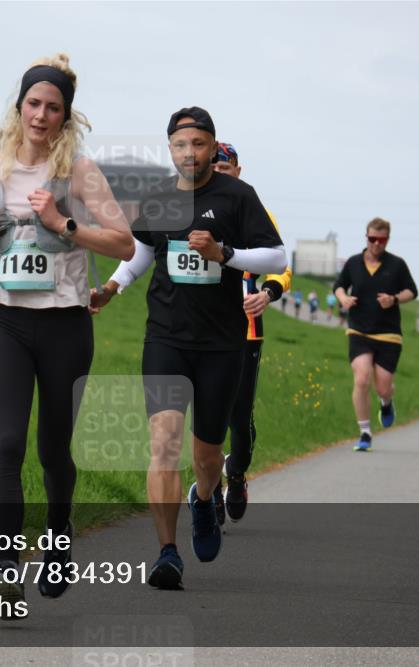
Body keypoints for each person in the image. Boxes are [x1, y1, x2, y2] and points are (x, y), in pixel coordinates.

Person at [90, 108, 287, 589]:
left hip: (221, 343)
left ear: (211, 146)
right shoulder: (157, 199)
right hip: (166, 339)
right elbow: (141, 252)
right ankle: (167, 553)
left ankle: (204, 498)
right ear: (170, 148)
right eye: (180, 145)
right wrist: (112, 288)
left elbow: (276, 255)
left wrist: (225, 255)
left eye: (198, 144)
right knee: (163, 445)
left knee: (206, 455)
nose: (189, 153)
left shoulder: (238, 196)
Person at [0, 53, 134, 610]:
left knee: (52, 448)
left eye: (53, 107)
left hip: (64, 324)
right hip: (6, 321)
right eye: (33, 103)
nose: (41, 114)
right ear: (19, 106)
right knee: (7, 442)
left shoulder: (79, 172)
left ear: (66, 116)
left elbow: (124, 243)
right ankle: (6, 566)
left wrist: (62, 223)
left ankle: (59, 538)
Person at [211, 141, 292, 524]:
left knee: (238, 419)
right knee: (205, 415)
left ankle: (237, 473)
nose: (218, 177)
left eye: (225, 170)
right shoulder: (192, 209)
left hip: (246, 327)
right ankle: (208, 490)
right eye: (212, 170)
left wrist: (267, 292)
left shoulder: (255, 211)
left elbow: (281, 265)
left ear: (238, 172)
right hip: (200, 325)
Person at [333, 218, 418, 451]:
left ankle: (386, 402)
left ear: (387, 240)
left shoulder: (397, 265)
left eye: (381, 240)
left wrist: (394, 299)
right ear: (366, 237)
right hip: (359, 330)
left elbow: (412, 290)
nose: (376, 244)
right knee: (361, 378)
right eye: (372, 239)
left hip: (389, 334)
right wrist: (343, 298)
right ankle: (365, 432)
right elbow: (339, 285)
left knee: (383, 387)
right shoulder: (353, 263)